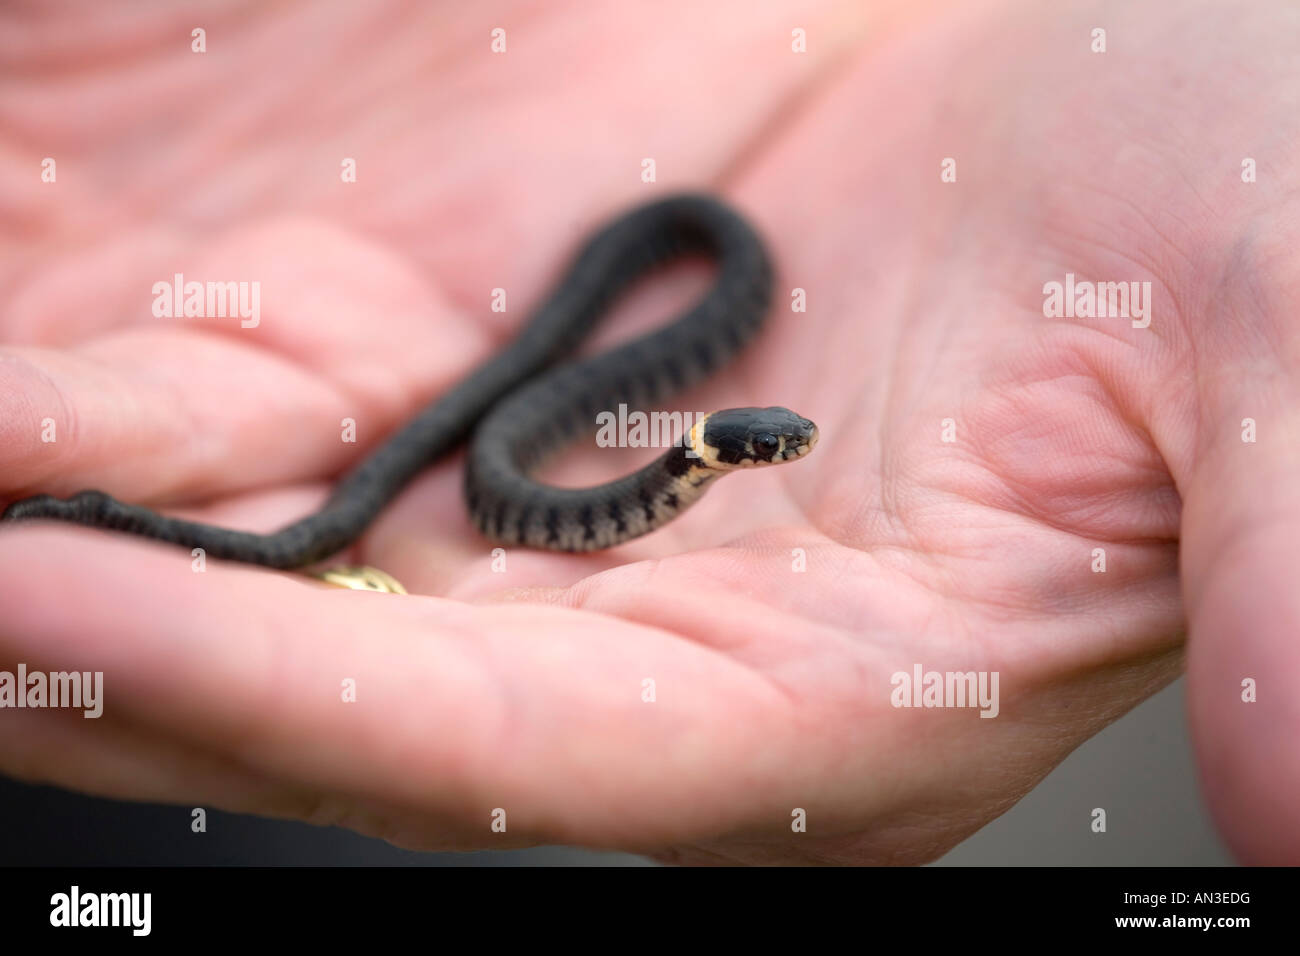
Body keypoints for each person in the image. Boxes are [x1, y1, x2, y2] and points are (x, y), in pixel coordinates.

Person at [0, 0, 1294, 864]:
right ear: (725, 450)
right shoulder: (605, 467)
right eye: (772, 445)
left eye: (776, 446)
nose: (785, 447)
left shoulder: (691, 384)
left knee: (226, 755)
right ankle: (105, 524)